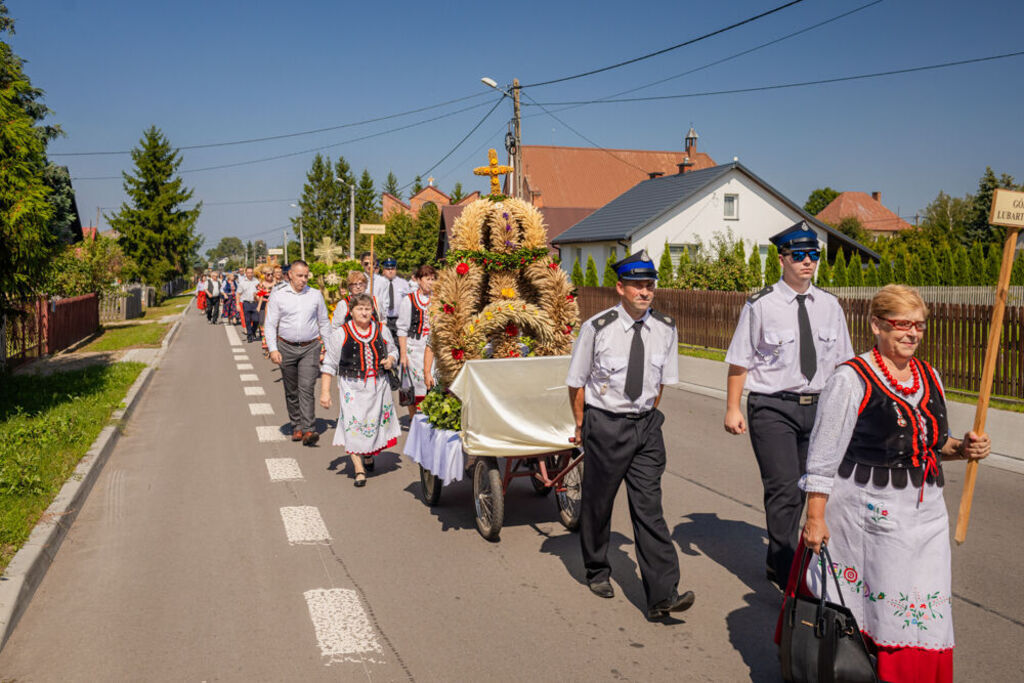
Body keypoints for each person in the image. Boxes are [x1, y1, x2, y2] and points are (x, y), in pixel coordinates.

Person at [799, 285, 990, 683]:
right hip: (869, 516)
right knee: (878, 606)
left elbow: (935, 444)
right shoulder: (852, 378)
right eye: (901, 324)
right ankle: (859, 670)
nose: (911, 333)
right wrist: (815, 518)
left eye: (918, 325)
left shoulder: (929, 375)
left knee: (923, 608)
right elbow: (822, 456)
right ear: (876, 325)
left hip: (926, 516)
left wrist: (965, 448)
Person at [566, 250, 695, 620]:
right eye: (637, 284)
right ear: (620, 287)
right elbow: (576, 383)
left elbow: (659, 385)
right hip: (605, 424)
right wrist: (581, 425)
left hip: (645, 428)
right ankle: (596, 569)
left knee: (649, 509)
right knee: (598, 503)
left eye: (649, 284)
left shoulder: (666, 328)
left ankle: (662, 595)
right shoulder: (597, 328)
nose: (645, 291)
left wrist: (646, 418)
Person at [723, 222, 853, 588]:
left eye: (814, 255)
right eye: (799, 255)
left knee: (814, 487)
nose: (808, 262)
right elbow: (740, 360)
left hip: (821, 409)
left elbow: (845, 364)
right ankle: (787, 575)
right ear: (782, 259)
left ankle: (792, 559)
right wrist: (733, 407)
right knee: (783, 487)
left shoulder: (830, 306)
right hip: (773, 407)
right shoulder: (761, 305)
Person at [319, 293, 400, 487]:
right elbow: (329, 363)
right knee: (353, 427)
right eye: (359, 309)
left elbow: (394, 351)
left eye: (367, 309)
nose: (364, 313)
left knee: (373, 424)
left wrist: (390, 360)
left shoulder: (381, 329)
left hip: (378, 385)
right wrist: (325, 391)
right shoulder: (341, 333)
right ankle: (359, 469)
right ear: (352, 312)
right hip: (351, 387)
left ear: (372, 311)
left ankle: (369, 455)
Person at [265, 260, 331, 446]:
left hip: (310, 347)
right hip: (286, 347)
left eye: (306, 276)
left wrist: (329, 347)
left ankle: (309, 429)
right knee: (291, 389)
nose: (303, 280)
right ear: (290, 275)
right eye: (300, 276)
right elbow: (270, 324)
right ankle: (297, 425)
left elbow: (324, 322)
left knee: (307, 387)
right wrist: (273, 349)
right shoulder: (278, 295)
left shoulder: (315, 295)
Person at [397, 264, 435, 415]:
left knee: (431, 382)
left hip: (432, 347)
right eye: (427, 279)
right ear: (419, 280)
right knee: (413, 386)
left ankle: (428, 417)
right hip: (414, 347)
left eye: (433, 279)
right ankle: (414, 418)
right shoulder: (409, 300)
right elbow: (402, 328)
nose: (430, 282)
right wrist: (403, 353)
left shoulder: (438, 300)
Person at [377, 257, 410, 341]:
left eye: (393, 268)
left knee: (399, 342)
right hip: (383, 319)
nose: (390, 271)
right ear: (383, 270)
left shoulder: (403, 283)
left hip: (399, 319)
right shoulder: (378, 283)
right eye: (388, 269)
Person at [238, 266, 260, 342]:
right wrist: (237, 304)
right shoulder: (242, 282)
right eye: (248, 273)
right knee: (247, 320)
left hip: (254, 303)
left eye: (251, 272)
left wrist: (257, 295)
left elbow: (260, 291)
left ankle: (253, 332)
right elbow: (238, 293)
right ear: (246, 273)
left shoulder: (256, 281)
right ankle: (250, 336)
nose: (250, 274)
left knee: (256, 320)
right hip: (246, 303)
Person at [257, 267, 274, 355]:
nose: (270, 276)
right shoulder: (261, 284)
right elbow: (260, 296)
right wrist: (259, 307)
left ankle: (274, 348)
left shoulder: (277, 283)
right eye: (268, 274)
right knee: (264, 327)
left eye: (272, 274)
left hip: (275, 307)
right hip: (264, 307)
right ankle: (266, 348)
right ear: (265, 275)